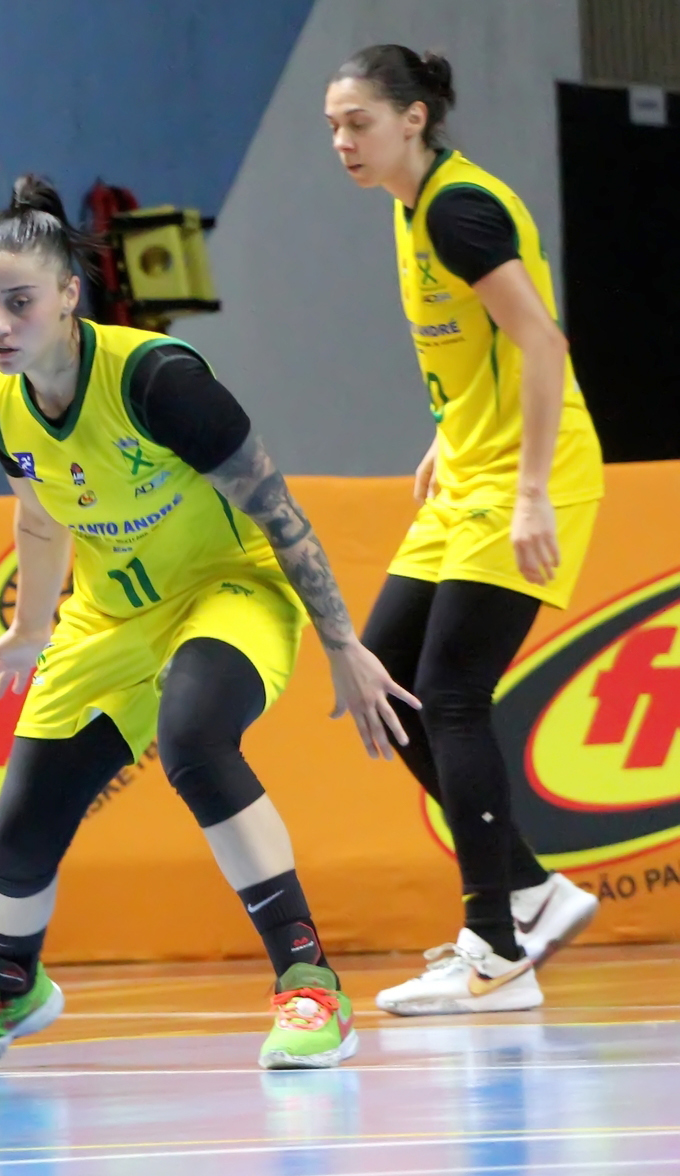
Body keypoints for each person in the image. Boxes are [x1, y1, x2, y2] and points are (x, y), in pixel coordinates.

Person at [0, 175, 418, 1075]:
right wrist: (33, 630)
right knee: (20, 832)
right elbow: (38, 516)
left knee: (193, 739)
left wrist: (343, 644)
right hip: (108, 617)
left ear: (70, 295)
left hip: (230, 591)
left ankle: (309, 984)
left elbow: (276, 507)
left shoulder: (156, 380)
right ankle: (8, 984)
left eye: (19, 302)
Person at [327, 46, 605, 1016]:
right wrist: (449, 437)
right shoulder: (414, 210)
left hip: (533, 474)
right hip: (474, 471)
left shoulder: (457, 206)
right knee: (388, 682)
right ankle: (531, 891)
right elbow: (478, 348)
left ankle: (493, 944)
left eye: (358, 120)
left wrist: (529, 492)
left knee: (449, 693)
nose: (342, 140)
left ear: (413, 118)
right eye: (332, 125)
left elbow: (542, 341)